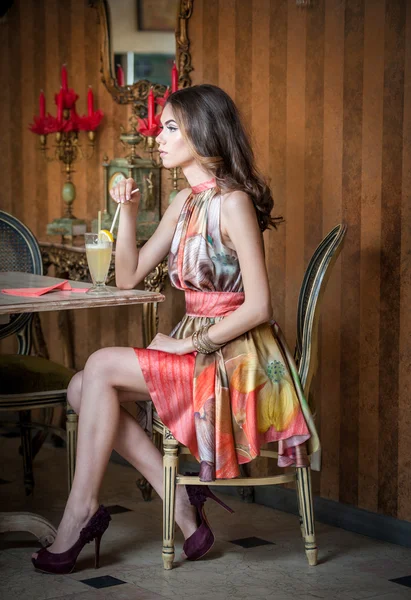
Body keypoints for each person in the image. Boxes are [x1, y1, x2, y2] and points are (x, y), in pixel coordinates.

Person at [32, 84, 319, 574]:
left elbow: (259, 305)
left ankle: (81, 513)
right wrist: (126, 211)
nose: (157, 138)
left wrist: (187, 343)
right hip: (199, 350)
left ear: (202, 133)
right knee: (83, 387)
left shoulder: (232, 203)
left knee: (97, 367)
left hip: (237, 359)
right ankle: (183, 508)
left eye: (169, 128)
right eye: (160, 127)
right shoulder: (185, 201)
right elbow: (127, 275)